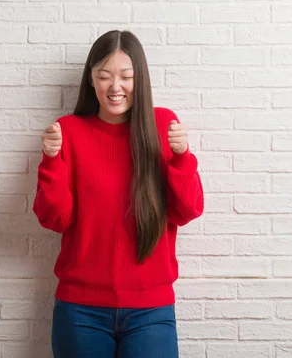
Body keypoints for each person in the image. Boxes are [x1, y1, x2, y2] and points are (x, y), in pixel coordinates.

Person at [32, 30, 204, 358]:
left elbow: (187, 210)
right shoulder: (68, 131)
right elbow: (55, 219)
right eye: (104, 76)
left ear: (139, 80)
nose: (115, 87)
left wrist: (182, 157)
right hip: (80, 311)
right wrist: (51, 162)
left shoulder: (163, 124)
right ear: (91, 81)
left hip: (151, 310)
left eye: (126, 76)